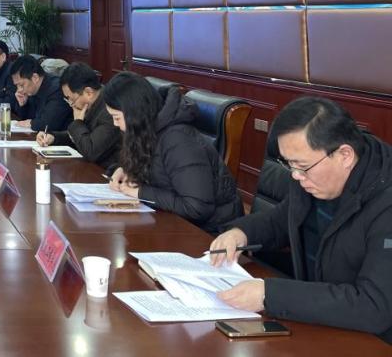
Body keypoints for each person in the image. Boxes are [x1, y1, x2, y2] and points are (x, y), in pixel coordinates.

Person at [209, 97, 392, 342]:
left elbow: (374, 305)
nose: (295, 175)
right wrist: (240, 233)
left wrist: (269, 295)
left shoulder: (385, 204)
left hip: (372, 340)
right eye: (290, 165)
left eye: (302, 166)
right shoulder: (312, 176)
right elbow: (282, 220)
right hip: (321, 320)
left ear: (345, 155)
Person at [103, 71, 243, 233]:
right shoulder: (145, 129)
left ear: (134, 113)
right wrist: (123, 170)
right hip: (171, 221)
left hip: (211, 233)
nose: (115, 124)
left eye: (117, 117)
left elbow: (197, 207)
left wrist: (141, 192)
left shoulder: (178, 140)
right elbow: (151, 169)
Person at [36, 62, 120, 169]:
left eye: (71, 99)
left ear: (88, 93)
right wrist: (54, 137)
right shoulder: (92, 103)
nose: (71, 104)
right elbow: (80, 137)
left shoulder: (110, 112)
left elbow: (90, 151)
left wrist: (77, 123)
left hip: (105, 172)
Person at [7, 54, 70, 133]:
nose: (19, 90)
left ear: (35, 78)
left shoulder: (57, 89)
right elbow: (24, 119)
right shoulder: (32, 89)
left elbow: (48, 124)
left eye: (21, 85)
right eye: (17, 85)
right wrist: (23, 105)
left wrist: (31, 123)